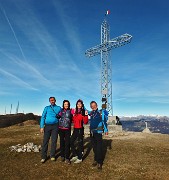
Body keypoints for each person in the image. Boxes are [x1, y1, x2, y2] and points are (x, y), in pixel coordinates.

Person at [40, 97, 61, 163]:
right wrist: (41, 127)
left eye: (53, 100)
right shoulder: (47, 108)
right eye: (51, 100)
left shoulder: (59, 108)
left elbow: (63, 113)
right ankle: (43, 157)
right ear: (49, 101)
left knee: (54, 141)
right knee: (45, 141)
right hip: (47, 126)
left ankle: (52, 156)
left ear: (55, 100)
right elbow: (43, 117)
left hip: (55, 126)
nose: (52, 101)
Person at [89, 101, 108, 170]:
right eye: (92, 105)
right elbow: (85, 110)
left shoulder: (101, 112)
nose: (93, 106)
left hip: (98, 132)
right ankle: (95, 159)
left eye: (94, 105)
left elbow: (104, 121)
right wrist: (82, 104)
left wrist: (106, 130)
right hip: (92, 132)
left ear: (96, 105)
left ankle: (99, 162)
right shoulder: (91, 113)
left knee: (99, 147)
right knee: (94, 147)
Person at [70, 99, 88, 163]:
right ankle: (75, 155)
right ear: (76, 105)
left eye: (80, 104)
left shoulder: (83, 112)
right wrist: (72, 115)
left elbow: (85, 122)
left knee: (80, 143)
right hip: (75, 129)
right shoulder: (75, 111)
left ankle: (80, 158)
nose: (79, 105)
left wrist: (85, 115)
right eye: (78, 104)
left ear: (82, 105)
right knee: (71, 141)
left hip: (80, 129)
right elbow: (72, 120)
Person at [58, 100, 74, 164]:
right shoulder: (61, 111)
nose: (66, 105)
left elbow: (73, 118)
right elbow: (58, 117)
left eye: (67, 104)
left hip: (67, 129)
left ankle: (67, 157)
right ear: (63, 105)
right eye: (65, 104)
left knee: (67, 143)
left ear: (69, 105)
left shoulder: (71, 111)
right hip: (60, 129)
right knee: (62, 143)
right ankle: (62, 155)